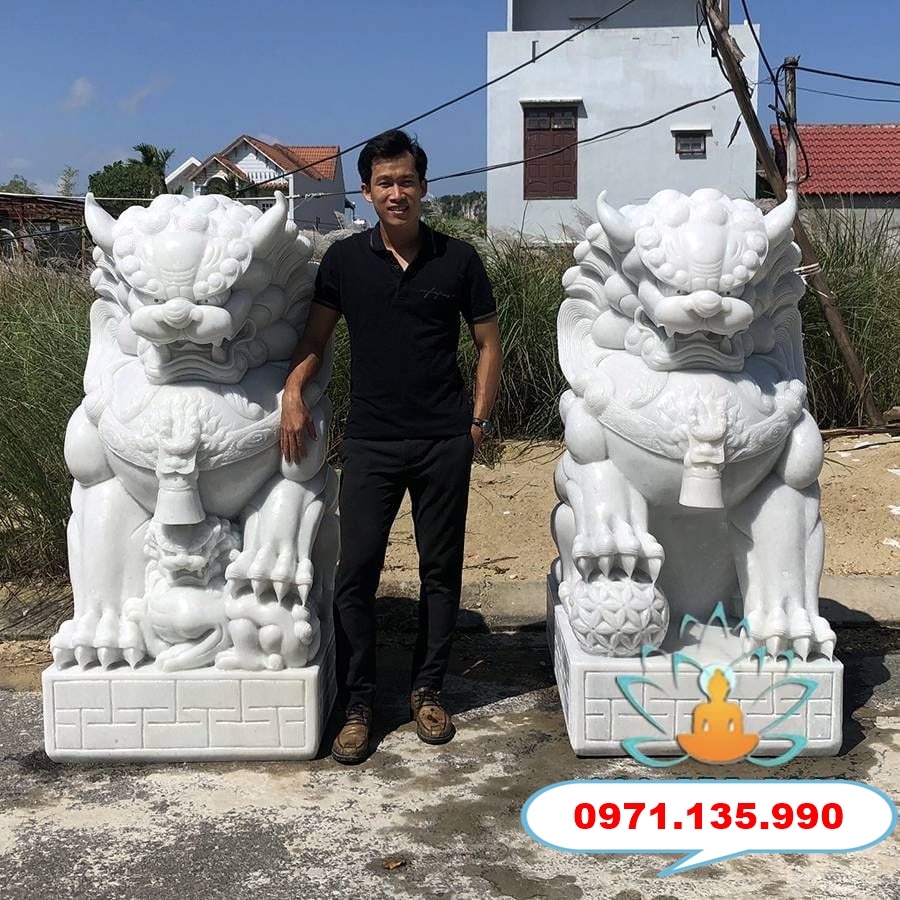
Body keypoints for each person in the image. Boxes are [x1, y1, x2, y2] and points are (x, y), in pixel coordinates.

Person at [280, 129, 502, 764]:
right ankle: (359, 704)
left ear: (423, 186)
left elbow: (488, 344)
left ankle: (428, 692)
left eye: (406, 181)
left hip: (443, 440)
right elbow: (315, 340)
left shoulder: (458, 259)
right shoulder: (345, 261)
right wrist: (293, 390)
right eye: (385, 183)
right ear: (367, 191)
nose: (396, 192)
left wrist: (476, 423)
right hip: (372, 440)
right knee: (356, 573)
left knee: (440, 572)